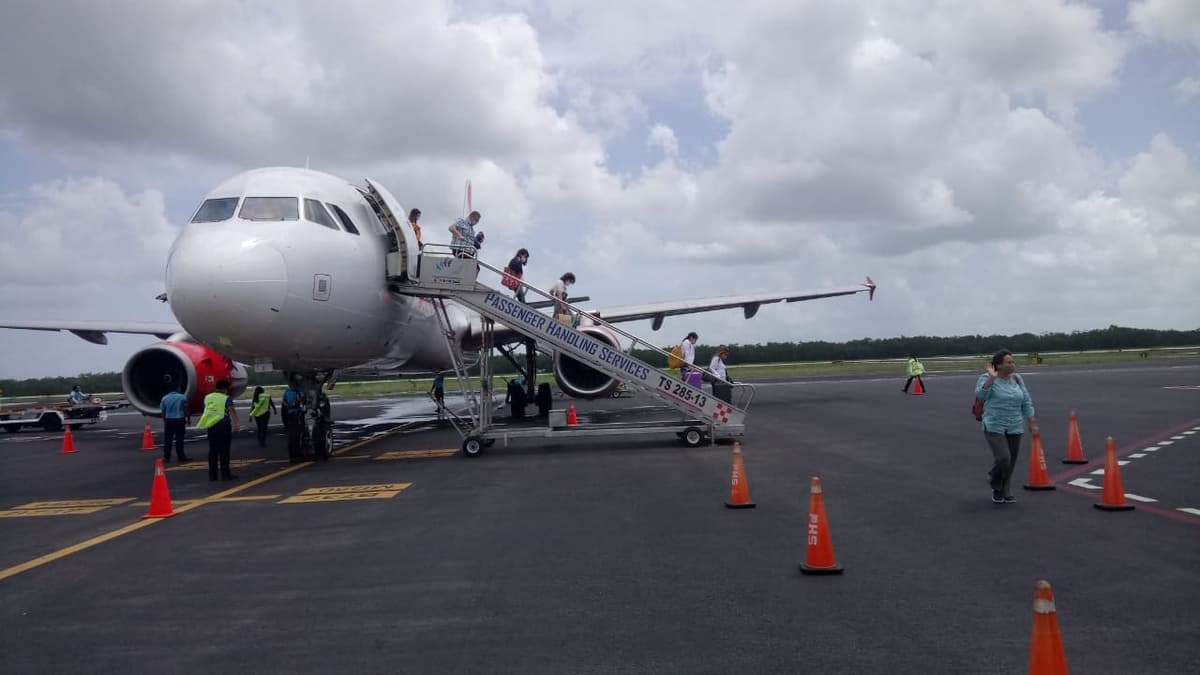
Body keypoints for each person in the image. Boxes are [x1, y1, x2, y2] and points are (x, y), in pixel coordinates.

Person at [976, 349, 1037, 504]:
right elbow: (980, 396)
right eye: (1008, 362)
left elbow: (1026, 401)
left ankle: (1005, 490)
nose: (1012, 364)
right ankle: (994, 481)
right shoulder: (986, 378)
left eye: (1013, 361)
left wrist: (1031, 422)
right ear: (999, 365)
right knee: (1004, 458)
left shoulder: (1017, 379)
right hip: (994, 425)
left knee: (1011, 461)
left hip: (1015, 425)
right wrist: (991, 377)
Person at [196, 379, 240, 481]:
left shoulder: (208, 397)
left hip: (211, 425)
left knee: (213, 450)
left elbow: (206, 408)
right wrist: (236, 424)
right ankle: (225, 474)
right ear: (225, 389)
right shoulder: (226, 398)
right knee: (224, 450)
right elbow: (231, 410)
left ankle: (212, 475)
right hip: (223, 425)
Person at [158, 385, 191, 463]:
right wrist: (188, 419)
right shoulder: (182, 397)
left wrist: (165, 421)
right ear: (178, 389)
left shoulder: (164, 398)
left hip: (169, 420)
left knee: (168, 440)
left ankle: (167, 457)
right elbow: (186, 409)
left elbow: (163, 411)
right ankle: (181, 457)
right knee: (179, 440)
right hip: (180, 420)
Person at [281, 381, 305, 462]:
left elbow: (284, 401)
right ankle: (296, 453)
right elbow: (302, 399)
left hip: (290, 414)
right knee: (297, 434)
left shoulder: (287, 391)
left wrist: (288, 405)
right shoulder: (299, 390)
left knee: (292, 435)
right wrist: (295, 404)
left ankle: (293, 453)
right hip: (296, 414)